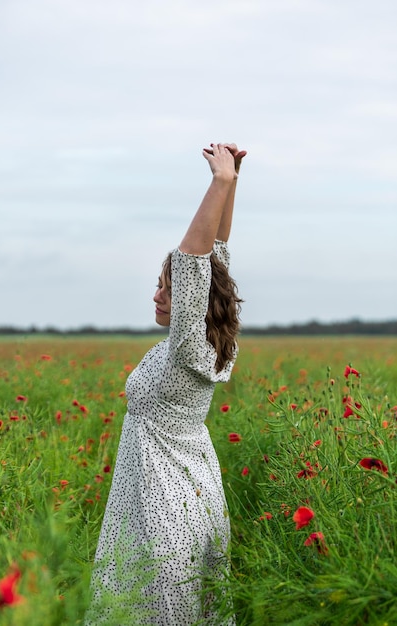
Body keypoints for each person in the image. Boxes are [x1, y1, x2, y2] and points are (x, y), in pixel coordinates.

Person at [87, 143, 246, 625]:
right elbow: (214, 258)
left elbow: (196, 261)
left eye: (169, 287)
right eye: (160, 284)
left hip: (163, 514)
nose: (158, 294)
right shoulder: (214, 341)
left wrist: (218, 183)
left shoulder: (186, 346)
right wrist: (233, 184)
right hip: (191, 499)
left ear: (191, 302)